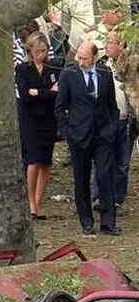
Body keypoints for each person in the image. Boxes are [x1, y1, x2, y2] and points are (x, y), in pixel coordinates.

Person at [55, 41, 119, 235]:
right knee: (81, 179)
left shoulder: (105, 73)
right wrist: (67, 133)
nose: (81, 61)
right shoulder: (68, 75)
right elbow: (60, 107)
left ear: (94, 57)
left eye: (85, 58)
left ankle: (108, 222)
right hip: (79, 135)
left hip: (102, 135)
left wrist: (112, 128)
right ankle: (86, 222)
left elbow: (112, 104)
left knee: (105, 176)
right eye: (79, 57)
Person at [16, 32, 60, 219]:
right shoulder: (23, 69)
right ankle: (30, 202)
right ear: (30, 51)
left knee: (45, 161)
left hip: (48, 119)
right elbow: (25, 95)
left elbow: (57, 93)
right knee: (33, 159)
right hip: (30, 119)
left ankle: (38, 202)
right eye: (37, 51)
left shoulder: (52, 68)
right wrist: (45, 93)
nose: (40, 55)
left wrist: (38, 93)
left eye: (43, 51)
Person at [92, 31, 137, 213]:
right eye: (106, 42)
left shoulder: (131, 66)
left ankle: (117, 199)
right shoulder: (101, 65)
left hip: (126, 120)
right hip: (106, 120)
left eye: (111, 42)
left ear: (121, 45)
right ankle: (97, 196)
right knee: (102, 159)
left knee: (122, 163)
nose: (107, 46)